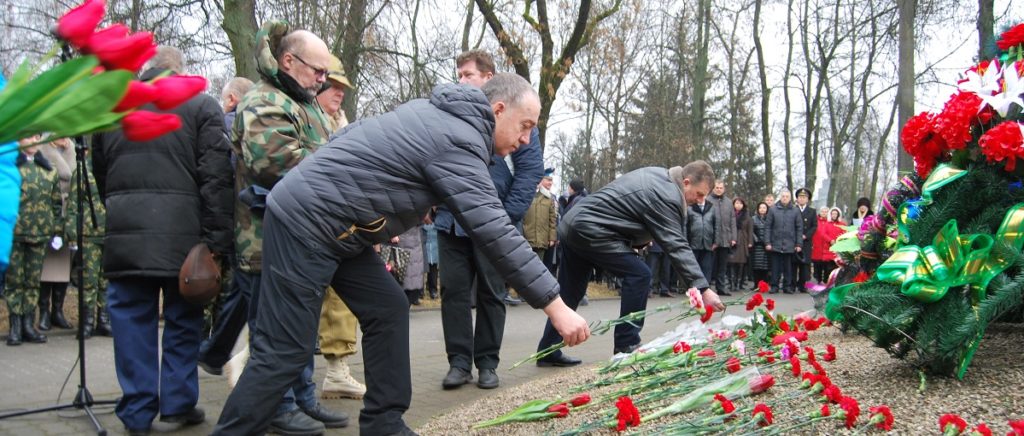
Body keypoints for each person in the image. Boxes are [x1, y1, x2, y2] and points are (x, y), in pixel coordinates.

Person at [213, 73, 590, 436]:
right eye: (524, 126)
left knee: (388, 306)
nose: (526, 140)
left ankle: (384, 423)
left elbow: (359, 145)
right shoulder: (459, 138)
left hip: (340, 227)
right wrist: (555, 307)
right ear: (497, 109)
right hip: (307, 222)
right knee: (284, 353)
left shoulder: (440, 116)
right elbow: (494, 228)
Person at [199, 24, 347, 434]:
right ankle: (277, 407)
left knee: (297, 330)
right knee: (270, 333)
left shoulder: (303, 100)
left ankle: (301, 399)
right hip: (263, 240)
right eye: (318, 70)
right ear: (288, 61)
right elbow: (279, 164)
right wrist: (341, 161)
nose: (323, 79)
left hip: (298, 238)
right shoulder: (263, 100)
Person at [92, 46, 233, 434]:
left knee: (131, 321)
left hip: (125, 234)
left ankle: (137, 411)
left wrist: (121, 210)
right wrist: (217, 241)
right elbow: (216, 178)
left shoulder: (114, 109)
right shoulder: (202, 107)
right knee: (183, 318)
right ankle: (177, 403)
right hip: (183, 238)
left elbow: (100, 173)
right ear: (179, 72)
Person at [535, 161, 725, 366]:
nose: (700, 201)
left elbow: (628, 211)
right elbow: (676, 245)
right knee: (640, 275)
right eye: (699, 194)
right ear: (686, 182)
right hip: (591, 230)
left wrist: (638, 240)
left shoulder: (658, 175)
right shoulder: (667, 192)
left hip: (575, 225)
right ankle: (626, 345)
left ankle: (548, 351)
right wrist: (703, 288)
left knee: (571, 293)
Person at [433, 49, 544, 390]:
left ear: (489, 78)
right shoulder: (452, 115)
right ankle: (459, 362)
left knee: (493, 294)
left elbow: (530, 171)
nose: (461, 80)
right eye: (460, 74)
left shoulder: (515, 119)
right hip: (451, 220)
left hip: (494, 223)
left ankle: (487, 363)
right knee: (453, 292)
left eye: (468, 75)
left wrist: (504, 217)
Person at [314, 55, 367, 402]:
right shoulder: (309, 120)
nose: (339, 95)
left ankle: (336, 372)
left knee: (339, 302)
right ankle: (244, 361)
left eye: (343, 89)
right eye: (333, 87)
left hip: (341, 225)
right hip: (314, 224)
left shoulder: (341, 124)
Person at [5, 135, 60, 346]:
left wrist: (55, 230)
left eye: (36, 136)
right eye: (27, 136)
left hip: (39, 233)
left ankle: (29, 324)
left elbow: (55, 204)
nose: (32, 140)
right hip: (16, 234)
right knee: (14, 282)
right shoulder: (11, 168)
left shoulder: (49, 170)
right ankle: (15, 326)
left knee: (32, 282)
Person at [37, 136, 75, 332]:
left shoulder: (72, 149)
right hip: (48, 211)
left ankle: (57, 311)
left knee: (63, 265)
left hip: (70, 212)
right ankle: (44, 311)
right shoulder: (41, 149)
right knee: (47, 265)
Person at [764, 190, 802, 294]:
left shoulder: (795, 210)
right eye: (783, 196)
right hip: (775, 242)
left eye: (787, 196)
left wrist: (799, 244)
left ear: (790, 198)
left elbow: (799, 228)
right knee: (775, 267)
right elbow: (768, 227)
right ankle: (774, 286)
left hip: (790, 243)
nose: (785, 198)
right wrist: (767, 242)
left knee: (788, 267)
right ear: (780, 197)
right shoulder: (773, 210)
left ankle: (787, 286)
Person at [708, 181, 736, 296]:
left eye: (721, 188)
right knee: (710, 265)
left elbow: (733, 220)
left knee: (722, 266)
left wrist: (733, 237)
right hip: (712, 240)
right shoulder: (708, 200)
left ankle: (721, 287)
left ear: (724, 189)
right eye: (717, 187)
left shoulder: (729, 202)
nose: (719, 189)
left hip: (725, 238)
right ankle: (707, 288)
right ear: (713, 188)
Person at [523, 171, 558, 263]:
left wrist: (552, 238)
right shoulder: (526, 195)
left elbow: (552, 220)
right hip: (527, 238)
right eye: (548, 180)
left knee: (538, 265)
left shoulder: (549, 199)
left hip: (541, 240)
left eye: (551, 181)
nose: (550, 183)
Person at [687, 189, 715, 286]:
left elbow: (717, 225)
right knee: (693, 266)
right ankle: (693, 286)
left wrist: (716, 241)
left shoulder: (712, 208)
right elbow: (685, 226)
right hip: (693, 242)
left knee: (707, 266)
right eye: (698, 196)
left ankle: (705, 286)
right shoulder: (690, 208)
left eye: (702, 196)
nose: (700, 198)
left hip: (708, 242)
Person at [726, 197, 753, 294]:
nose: (738, 205)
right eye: (736, 203)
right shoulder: (730, 214)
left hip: (743, 241)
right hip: (732, 240)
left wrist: (750, 242)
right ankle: (731, 282)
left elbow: (750, 230)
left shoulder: (747, 216)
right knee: (731, 262)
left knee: (741, 263)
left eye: (740, 203)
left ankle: (739, 283)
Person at [812, 207, 846, 283]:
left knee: (835, 266)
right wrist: (830, 240)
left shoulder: (842, 224)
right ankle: (824, 280)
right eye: (833, 214)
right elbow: (823, 233)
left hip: (837, 248)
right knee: (826, 267)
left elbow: (844, 234)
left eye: (835, 214)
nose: (834, 215)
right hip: (827, 247)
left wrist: (839, 240)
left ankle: (833, 281)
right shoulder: (827, 224)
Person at [793, 187, 817, 292]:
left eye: (804, 197)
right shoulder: (793, 210)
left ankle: (803, 285)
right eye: (800, 197)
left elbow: (814, 226)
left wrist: (806, 235)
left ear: (808, 199)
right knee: (793, 264)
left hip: (806, 241)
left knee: (805, 264)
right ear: (797, 199)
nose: (802, 199)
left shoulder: (812, 211)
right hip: (794, 241)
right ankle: (791, 285)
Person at [749, 202, 771, 287]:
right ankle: (756, 285)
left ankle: (763, 285)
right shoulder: (753, 218)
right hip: (757, 245)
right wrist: (757, 240)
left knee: (765, 267)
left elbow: (770, 230)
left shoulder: (769, 219)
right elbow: (751, 231)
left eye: (764, 208)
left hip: (766, 245)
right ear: (758, 209)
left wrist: (767, 241)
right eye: (760, 208)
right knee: (756, 267)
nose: (762, 209)